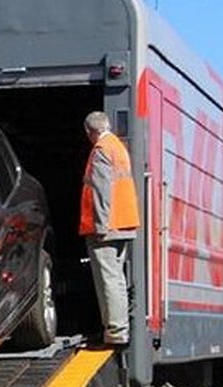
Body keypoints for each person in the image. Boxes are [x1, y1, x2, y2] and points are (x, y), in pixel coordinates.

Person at [81, 111, 139, 346]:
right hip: (123, 222)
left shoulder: (101, 150)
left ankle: (115, 331)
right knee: (116, 278)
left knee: (108, 279)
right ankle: (117, 328)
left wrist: (101, 224)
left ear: (89, 131)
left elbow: (101, 189)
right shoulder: (118, 147)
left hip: (107, 226)